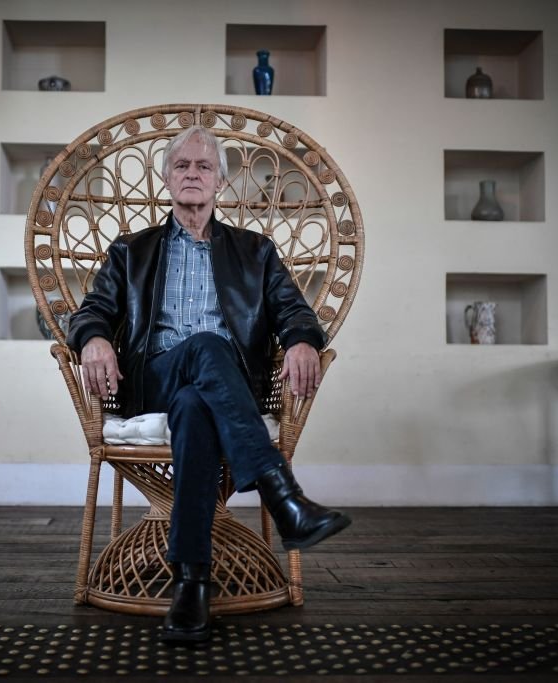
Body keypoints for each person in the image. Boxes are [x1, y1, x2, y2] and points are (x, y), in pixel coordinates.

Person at [66, 126, 350, 642]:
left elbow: (294, 311)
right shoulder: (132, 251)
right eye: (182, 166)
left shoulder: (255, 252)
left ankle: (191, 585)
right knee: (204, 345)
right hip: (154, 376)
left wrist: (304, 340)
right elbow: (91, 312)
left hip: (224, 386)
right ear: (166, 179)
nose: (192, 174)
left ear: (220, 181)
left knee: (198, 406)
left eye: (203, 167)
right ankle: (282, 496)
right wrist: (92, 339)